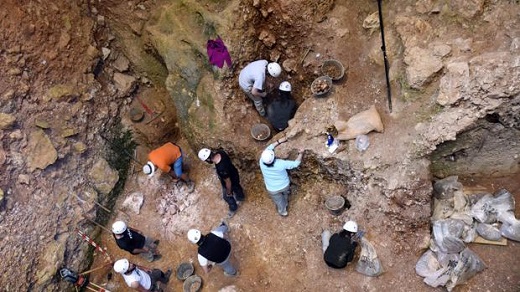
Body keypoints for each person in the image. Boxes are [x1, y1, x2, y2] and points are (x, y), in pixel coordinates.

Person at [259, 136, 304, 216]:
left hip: (272, 188)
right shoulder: (281, 163)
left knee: (279, 201)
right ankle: (286, 201)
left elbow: (269, 148)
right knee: (285, 194)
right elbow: (296, 164)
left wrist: (279, 141)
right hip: (284, 185)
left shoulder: (261, 162)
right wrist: (301, 153)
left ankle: (283, 211)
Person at [198, 148, 245, 218]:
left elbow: (228, 182)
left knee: (226, 196)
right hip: (234, 173)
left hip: (230, 180)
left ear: (208, 159)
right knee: (237, 186)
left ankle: (233, 208)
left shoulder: (221, 169)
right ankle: (241, 197)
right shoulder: (221, 152)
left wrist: (229, 192)